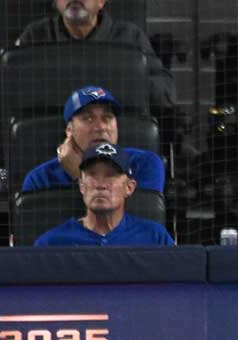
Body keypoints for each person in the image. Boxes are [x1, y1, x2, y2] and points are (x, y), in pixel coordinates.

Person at [16, 0, 176, 115]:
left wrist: (122, 82)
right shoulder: (34, 37)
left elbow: (166, 94)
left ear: (102, 2)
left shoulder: (130, 37)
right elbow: (9, 96)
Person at [21, 86, 165, 194]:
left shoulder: (144, 164)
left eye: (107, 118)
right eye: (88, 118)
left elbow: (141, 222)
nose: (101, 127)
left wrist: (79, 174)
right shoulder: (40, 179)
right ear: (69, 130)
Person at [34, 142, 173, 246]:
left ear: (129, 187)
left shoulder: (155, 238)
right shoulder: (52, 243)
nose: (100, 184)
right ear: (82, 186)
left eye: (110, 175)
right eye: (92, 175)